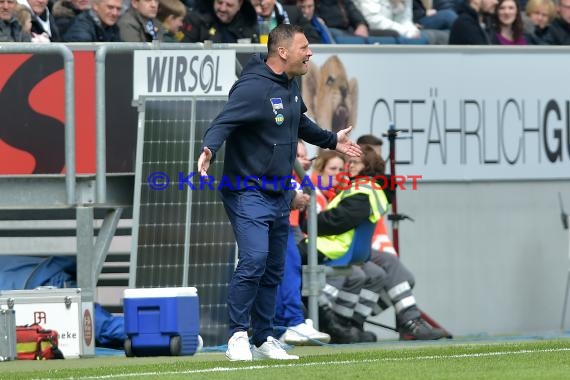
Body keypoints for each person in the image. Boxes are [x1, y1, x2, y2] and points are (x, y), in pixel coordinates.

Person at [197, 24, 362, 361]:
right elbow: (223, 122)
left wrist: (333, 141)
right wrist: (209, 149)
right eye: (304, 47)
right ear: (283, 52)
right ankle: (237, 335)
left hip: (278, 192)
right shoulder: (253, 87)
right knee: (254, 259)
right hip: (247, 190)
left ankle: (263, 337)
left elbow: (301, 124)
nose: (310, 53)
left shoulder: (290, 85)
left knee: (274, 267)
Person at [274, 140, 332, 346]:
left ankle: (285, 325)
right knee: (287, 268)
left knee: (287, 270)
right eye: (297, 157)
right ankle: (291, 322)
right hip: (278, 224)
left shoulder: (299, 176)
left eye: (304, 157)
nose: (301, 161)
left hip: (286, 226)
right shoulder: (280, 168)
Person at [183, 0, 257, 43]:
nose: (222, 9)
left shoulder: (248, 22)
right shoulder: (196, 20)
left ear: (240, 4)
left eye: (229, 5)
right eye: (219, 2)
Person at [251, 0, 322, 44]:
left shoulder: (293, 12)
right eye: (259, 1)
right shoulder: (247, 17)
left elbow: (313, 39)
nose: (263, 3)